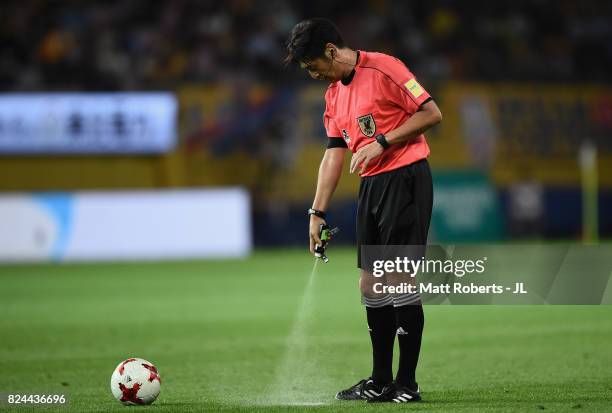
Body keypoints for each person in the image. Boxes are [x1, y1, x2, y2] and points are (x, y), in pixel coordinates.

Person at [285, 18, 442, 403]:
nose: (312, 74)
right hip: (372, 186)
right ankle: (380, 379)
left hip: (405, 177)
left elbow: (431, 113)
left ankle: (407, 384)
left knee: (399, 279)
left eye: (312, 66)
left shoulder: (385, 68)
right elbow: (333, 155)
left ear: (330, 50)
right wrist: (316, 213)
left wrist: (383, 141)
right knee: (371, 284)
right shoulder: (334, 96)